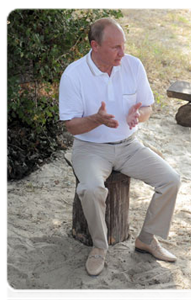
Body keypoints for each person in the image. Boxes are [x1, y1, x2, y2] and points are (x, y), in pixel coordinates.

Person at [59, 18, 181, 276]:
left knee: (170, 179)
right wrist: (95, 119)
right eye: (115, 47)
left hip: (129, 145)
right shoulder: (74, 74)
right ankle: (100, 247)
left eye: (123, 45)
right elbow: (71, 126)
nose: (122, 53)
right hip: (90, 148)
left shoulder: (133, 65)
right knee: (91, 189)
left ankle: (147, 239)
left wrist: (139, 116)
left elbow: (147, 106)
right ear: (94, 45)